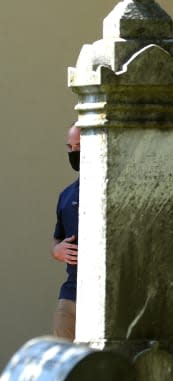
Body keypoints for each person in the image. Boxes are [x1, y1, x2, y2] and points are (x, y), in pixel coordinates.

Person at [51, 124, 81, 341]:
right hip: (70, 294)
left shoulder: (115, 190)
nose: (74, 153)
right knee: (64, 363)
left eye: (79, 146)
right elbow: (57, 239)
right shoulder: (66, 195)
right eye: (70, 147)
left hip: (107, 299)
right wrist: (57, 250)